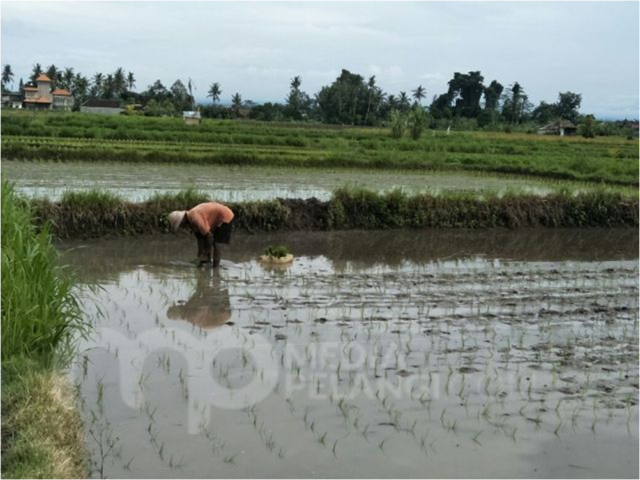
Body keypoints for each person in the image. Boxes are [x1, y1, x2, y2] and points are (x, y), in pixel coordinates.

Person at [168, 202, 234, 267]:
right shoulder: (191, 222)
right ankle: (207, 263)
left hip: (225, 216)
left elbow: (210, 237)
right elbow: (200, 239)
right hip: (216, 219)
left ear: (183, 219)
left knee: (217, 245)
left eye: (180, 224)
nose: (182, 226)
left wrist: (205, 254)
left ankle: (215, 269)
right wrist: (199, 256)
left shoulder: (195, 217)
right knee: (205, 240)